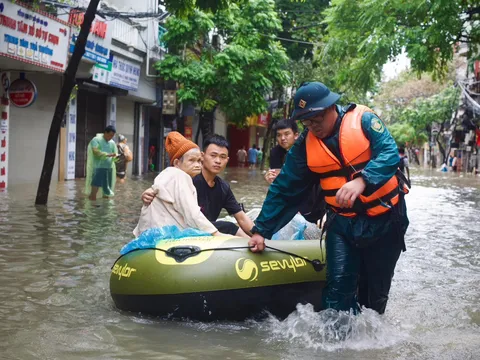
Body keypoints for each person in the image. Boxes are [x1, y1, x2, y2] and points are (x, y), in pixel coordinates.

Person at [249, 82, 409, 315]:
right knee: (337, 293)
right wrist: (260, 230)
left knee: (374, 297)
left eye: (317, 119)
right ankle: (336, 348)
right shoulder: (304, 145)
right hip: (342, 224)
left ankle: (367, 348)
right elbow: (285, 188)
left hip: (385, 220)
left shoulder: (364, 120)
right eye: (307, 122)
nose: (313, 127)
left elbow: (389, 152)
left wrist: (362, 180)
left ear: (331, 107)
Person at [142, 134, 255, 238]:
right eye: (213, 155)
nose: (217, 161)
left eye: (222, 157)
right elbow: (165, 185)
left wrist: (259, 236)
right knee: (228, 226)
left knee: (229, 226)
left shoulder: (223, 188)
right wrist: (150, 192)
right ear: (203, 155)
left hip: (203, 230)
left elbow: (242, 218)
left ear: (227, 160)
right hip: (185, 231)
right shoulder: (188, 177)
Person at [133, 132, 223, 238]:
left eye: (199, 161)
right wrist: (216, 234)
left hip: (148, 236)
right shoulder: (180, 176)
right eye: (192, 160)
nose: (197, 165)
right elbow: (192, 214)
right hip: (163, 238)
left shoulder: (167, 174)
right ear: (177, 163)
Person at [265, 119, 326, 224]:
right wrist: (271, 178)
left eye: (286, 134)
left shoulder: (307, 149)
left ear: (296, 135)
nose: (282, 138)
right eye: (279, 135)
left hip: (314, 195)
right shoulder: (275, 152)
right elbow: (278, 180)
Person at [85, 125, 118, 200]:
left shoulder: (112, 143)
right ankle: (92, 207)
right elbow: (95, 151)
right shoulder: (96, 139)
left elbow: (114, 154)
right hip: (99, 167)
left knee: (107, 191)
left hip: (109, 168)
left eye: (112, 136)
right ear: (105, 132)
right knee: (95, 188)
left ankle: (105, 209)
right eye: (110, 135)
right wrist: (107, 154)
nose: (111, 137)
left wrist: (116, 157)